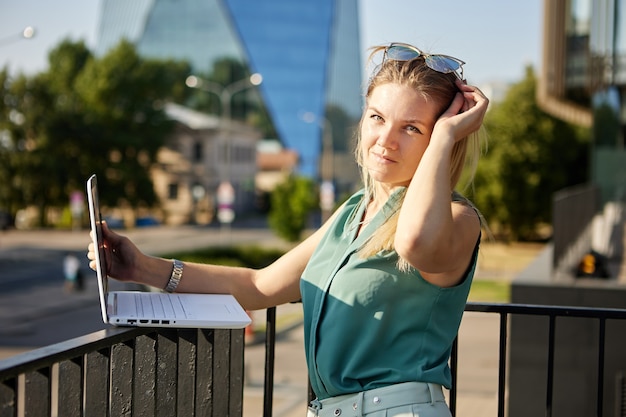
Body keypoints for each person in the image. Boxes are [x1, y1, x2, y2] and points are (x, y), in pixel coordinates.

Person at [87, 42, 489, 417]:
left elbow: (415, 241)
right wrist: (141, 268)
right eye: (377, 118)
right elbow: (260, 286)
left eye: (412, 129)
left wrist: (445, 137)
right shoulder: (353, 212)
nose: (386, 140)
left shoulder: (458, 219)